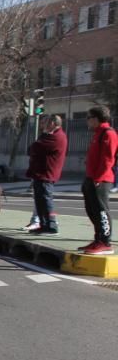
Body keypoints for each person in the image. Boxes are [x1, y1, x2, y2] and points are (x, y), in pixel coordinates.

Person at [80, 106, 118, 255]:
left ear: (96, 118)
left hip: (101, 180)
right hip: (91, 177)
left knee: (101, 210)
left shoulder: (108, 134)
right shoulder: (97, 134)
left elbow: (107, 159)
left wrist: (99, 178)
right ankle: (98, 239)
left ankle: (105, 242)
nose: (87, 121)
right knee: (92, 210)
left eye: (89, 117)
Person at [25, 115, 67, 236]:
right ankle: (43, 224)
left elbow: (35, 147)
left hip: (46, 173)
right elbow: (33, 148)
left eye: (47, 122)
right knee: (40, 200)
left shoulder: (56, 137)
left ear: (53, 123)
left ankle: (51, 225)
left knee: (45, 199)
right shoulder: (51, 136)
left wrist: (43, 134)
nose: (44, 125)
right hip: (41, 173)